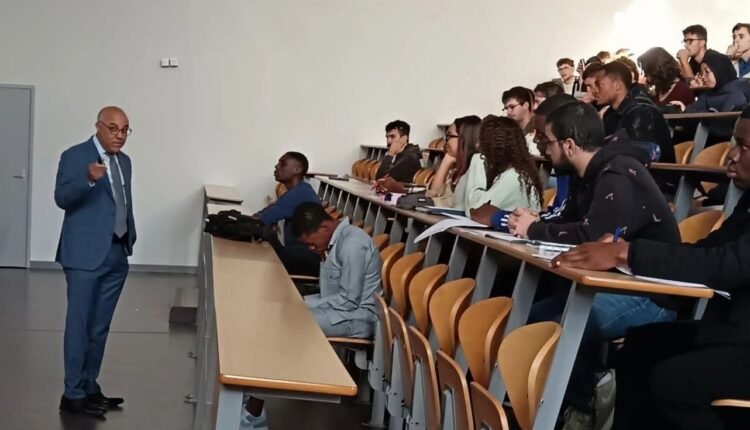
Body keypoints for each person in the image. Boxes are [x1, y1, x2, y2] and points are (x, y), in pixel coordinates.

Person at [551, 105, 750, 430]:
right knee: (641, 345)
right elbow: (706, 251)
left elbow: (726, 265)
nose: (731, 154)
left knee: (673, 383)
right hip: (733, 330)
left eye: (744, 146)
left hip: (741, 339)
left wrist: (626, 254)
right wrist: (624, 253)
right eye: (733, 143)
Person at [512, 101, 680, 429]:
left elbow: (592, 237)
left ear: (569, 145)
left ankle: (582, 407)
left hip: (652, 293)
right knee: (530, 319)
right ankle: (568, 396)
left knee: (558, 329)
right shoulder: (587, 174)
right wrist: (532, 221)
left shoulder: (618, 172)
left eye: (548, 141)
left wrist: (533, 229)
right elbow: (569, 223)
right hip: (613, 284)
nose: (544, 148)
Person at [54, 106, 135, 418]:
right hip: (84, 255)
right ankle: (72, 394)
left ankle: (89, 386)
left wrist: (128, 239)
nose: (120, 135)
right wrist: (87, 179)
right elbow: (62, 198)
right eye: (113, 128)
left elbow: (122, 203)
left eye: (125, 130)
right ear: (98, 127)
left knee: (99, 327)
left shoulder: (124, 162)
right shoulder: (75, 155)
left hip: (116, 252)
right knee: (79, 325)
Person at [470, 94, 577, 229]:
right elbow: (556, 216)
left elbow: (563, 221)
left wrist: (500, 218)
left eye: (542, 134)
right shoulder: (564, 170)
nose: (536, 140)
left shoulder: (588, 173)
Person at [292, 202, 381, 338]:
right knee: (288, 309)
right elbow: (332, 295)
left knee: (293, 320)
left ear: (324, 228)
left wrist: (304, 304)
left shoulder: (352, 244)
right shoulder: (335, 241)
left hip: (359, 317)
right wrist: (300, 302)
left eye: (311, 243)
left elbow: (349, 301)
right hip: (341, 310)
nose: (311, 248)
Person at [597, 61, 677, 192]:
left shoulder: (641, 110)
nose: (594, 90)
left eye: (599, 85)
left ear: (617, 85)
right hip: (623, 178)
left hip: (654, 184)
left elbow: (639, 157)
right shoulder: (610, 114)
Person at [455, 115, 542, 215]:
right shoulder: (512, 174)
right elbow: (458, 204)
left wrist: (477, 160)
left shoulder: (514, 177)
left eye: (484, 143)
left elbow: (475, 209)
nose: (478, 146)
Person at [253, 152, 321, 276]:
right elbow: (267, 213)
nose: (276, 166)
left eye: (282, 164)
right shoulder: (300, 190)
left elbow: (263, 218)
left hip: (304, 260)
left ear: (297, 170)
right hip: (300, 255)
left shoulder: (300, 193)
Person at [671, 50, 750, 140]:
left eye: (707, 71)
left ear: (719, 70)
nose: (703, 76)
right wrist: (684, 109)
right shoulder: (711, 92)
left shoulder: (737, 94)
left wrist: (704, 118)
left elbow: (724, 128)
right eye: (702, 73)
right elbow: (696, 109)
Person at [502, 86, 538, 155]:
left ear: (526, 105)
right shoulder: (509, 132)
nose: (508, 112)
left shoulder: (539, 129)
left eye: (512, 107)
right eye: (506, 108)